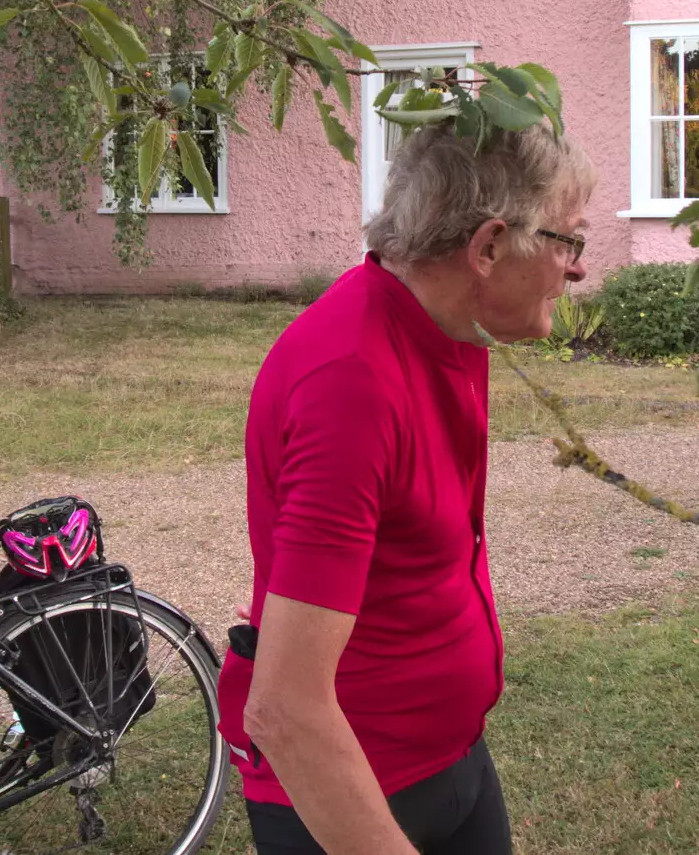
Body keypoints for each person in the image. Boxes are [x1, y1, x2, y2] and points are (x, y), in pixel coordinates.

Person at [216, 120, 596, 855]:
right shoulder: (352, 381)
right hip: (350, 792)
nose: (574, 269)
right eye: (566, 240)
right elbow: (285, 710)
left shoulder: (453, 329)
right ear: (487, 247)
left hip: (453, 761)